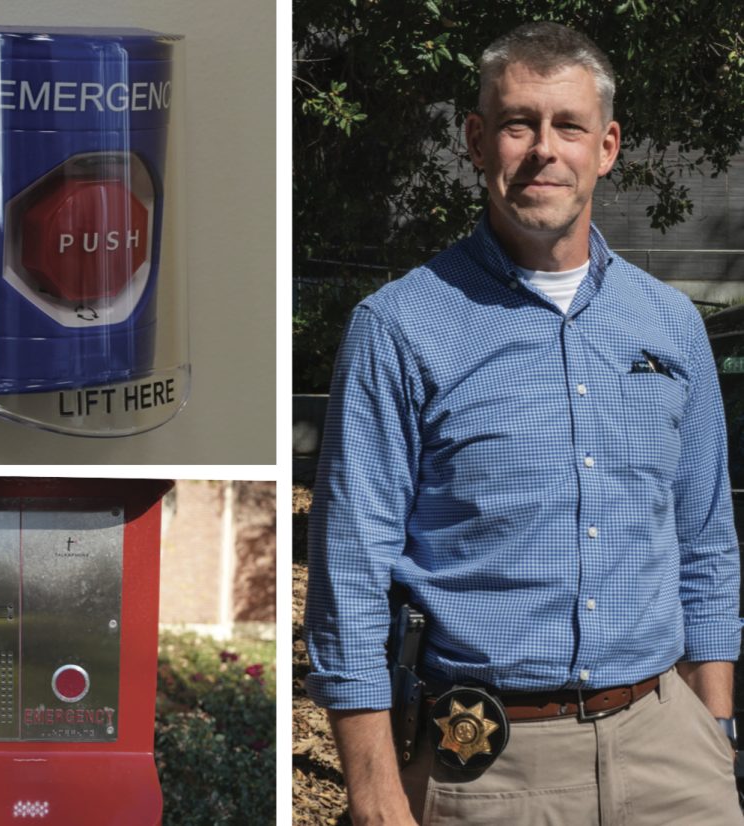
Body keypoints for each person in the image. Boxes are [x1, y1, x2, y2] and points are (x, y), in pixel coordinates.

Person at [305, 21, 742, 826]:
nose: (545, 149)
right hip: (490, 769)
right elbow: (349, 574)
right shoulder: (401, 328)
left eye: (569, 126)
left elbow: (706, 539)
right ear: (478, 142)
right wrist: (372, 791)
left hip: (674, 759)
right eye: (518, 124)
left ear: (606, 148)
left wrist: (714, 731)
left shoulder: (670, 325)